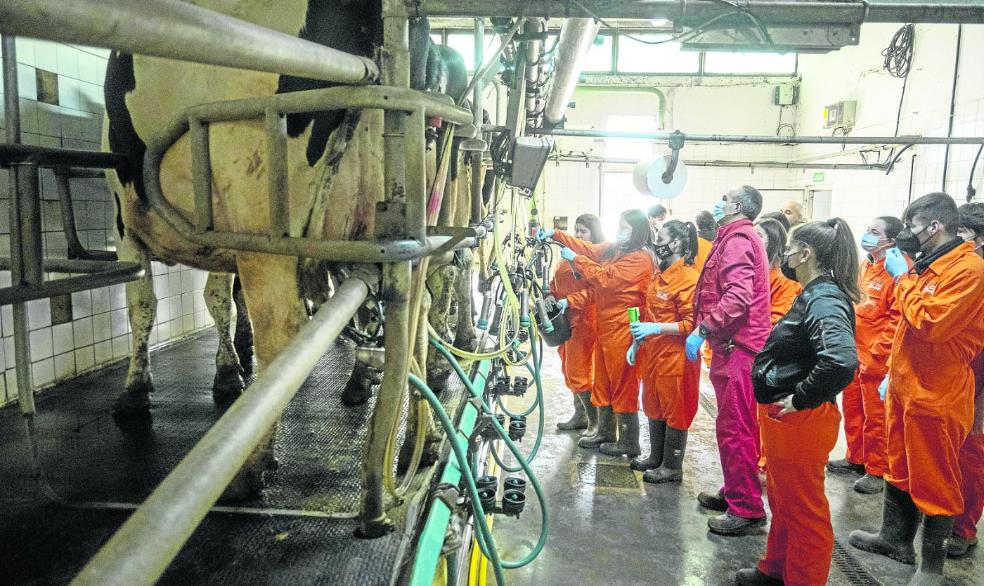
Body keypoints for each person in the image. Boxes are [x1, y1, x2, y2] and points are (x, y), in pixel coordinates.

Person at [850, 193, 984, 585]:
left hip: (937, 393)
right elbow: (905, 327)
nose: (907, 234)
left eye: (912, 226)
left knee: (936, 478)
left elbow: (931, 324)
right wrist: (892, 371)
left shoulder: (969, 271)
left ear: (934, 226)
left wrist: (903, 279)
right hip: (906, 386)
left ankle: (931, 568)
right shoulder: (929, 265)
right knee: (900, 466)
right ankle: (895, 540)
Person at [737, 218, 860, 586]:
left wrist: (802, 396)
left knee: (805, 509)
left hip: (802, 420)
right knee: (784, 500)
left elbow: (840, 359)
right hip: (785, 419)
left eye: (790, 249)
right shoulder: (813, 293)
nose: (785, 255)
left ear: (805, 253)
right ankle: (776, 569)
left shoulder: (824, 298)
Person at [686, 185, 772, 536]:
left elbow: (737, 297)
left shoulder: (738, 240)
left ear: (737, 206)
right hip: (731, 346)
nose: (719, 201)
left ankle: (748, 509)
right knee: (732, 427)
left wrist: (703, 329)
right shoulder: (732, 237)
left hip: (739, 348)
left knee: (737, 429)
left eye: (725, 197)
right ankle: (736, 490)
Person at [540, 209, 656, 456]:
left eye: (625, 227)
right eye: (619, 225)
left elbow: (607, 279)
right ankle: (605, 431)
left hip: (624, 328)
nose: (619, 231)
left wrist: (576, 260)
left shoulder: (640, 258)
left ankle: (629, 440)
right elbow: (590, 249)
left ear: (637, 230)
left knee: (623, 384)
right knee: (603, 381)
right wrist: (557, 235)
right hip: (606, 326)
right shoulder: (617, 248)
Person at [827, 216, 907, 495]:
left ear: (891, 240)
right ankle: (856, 458)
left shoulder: (898, 273)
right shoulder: (866, 266)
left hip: (876, 359)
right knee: (853, 409)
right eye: (867, 229)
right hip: (854, 352)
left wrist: (876, 355)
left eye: (875, 232)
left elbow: (897, 321)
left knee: (876, 418)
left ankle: (877, 470)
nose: (867, 235)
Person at [626, 220, 700, 484]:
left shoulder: (688, 278)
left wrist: (655, 328)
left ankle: (672, 466)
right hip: (654, 354)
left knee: (675, 409)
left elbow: (692, 323)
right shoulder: (660, 275)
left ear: (677, 243)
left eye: (661, 237)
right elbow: (647, 313)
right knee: (654, 405)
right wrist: (637, 342)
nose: (656, 242)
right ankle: (655, 457)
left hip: (676, 358)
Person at [950, 202, 984, 557]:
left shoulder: (977, 273)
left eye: (960, 234)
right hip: (957, 375)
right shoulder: (961, 272)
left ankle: (963, 529)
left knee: (971, 454)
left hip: (978, 379)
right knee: (951, 454)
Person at [550, 214, 604, 433]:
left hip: (584, 322)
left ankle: (594, 423)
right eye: (576, 230)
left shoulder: (593, 260)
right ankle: (580, 415)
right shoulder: (567, 257)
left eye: (583, 231)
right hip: (565, 321)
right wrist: (550, 296)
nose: (578, 234)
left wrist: (570, 301)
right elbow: (558, 282)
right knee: (568, 369)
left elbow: (597, 291)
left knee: (580, 372)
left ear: (594, 233)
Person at [754, 218, 802, 326]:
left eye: (758, 235)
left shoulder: (784, 278)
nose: (752, 239)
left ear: (773, 242)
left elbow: (778, 321)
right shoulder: (752, 271)